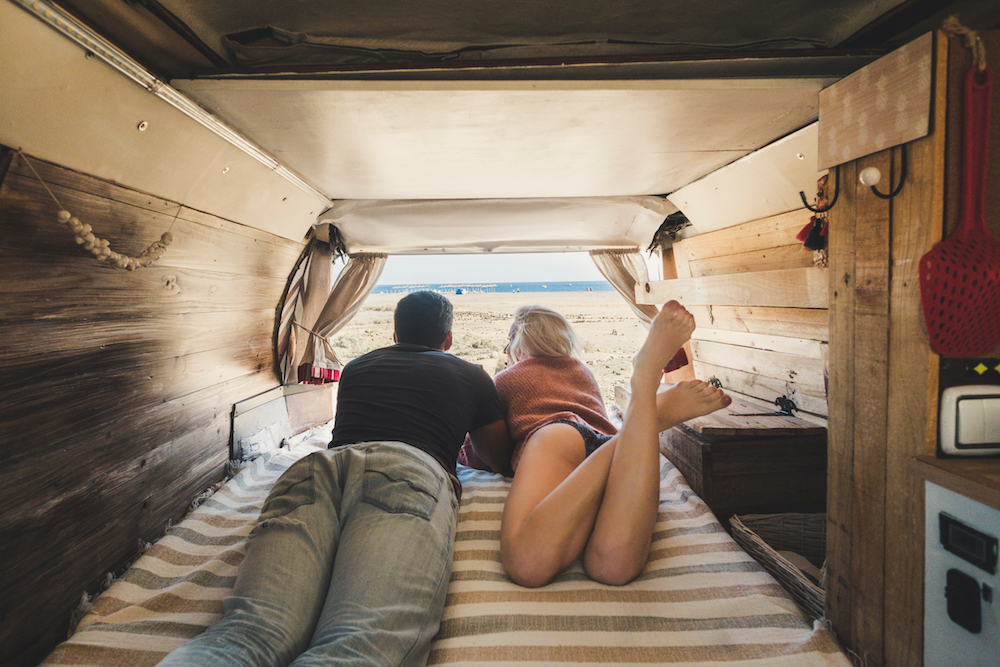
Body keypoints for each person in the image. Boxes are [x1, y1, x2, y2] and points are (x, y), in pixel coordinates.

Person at [157, 291, 512, 667]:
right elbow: (498, 458)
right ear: (448, 341)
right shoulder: (470, 374)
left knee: (249, 632)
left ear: (394, 336)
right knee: (358, 641)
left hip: (318, 468)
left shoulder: (358, 366)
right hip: (407, 473)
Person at [495, 301, 730, 588]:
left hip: (558, 437)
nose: (505, 351)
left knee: (527, 563)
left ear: (519, 346)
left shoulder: (506, 378)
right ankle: (644, 404)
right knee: (612, 567)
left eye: (508, 342)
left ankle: (645, 412)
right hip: (613, 448)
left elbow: (483, 449)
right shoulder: (582, 372)